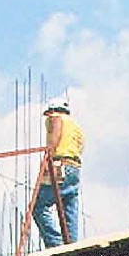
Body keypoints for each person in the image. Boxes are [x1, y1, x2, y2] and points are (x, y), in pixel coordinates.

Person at [33, 97, 85, 247]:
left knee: (38, 206)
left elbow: (53, 139)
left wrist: (47, 161)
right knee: (69, 207)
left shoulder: (55, 118)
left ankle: (56, 244)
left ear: (53, 110)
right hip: (74, 168)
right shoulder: (76, 127)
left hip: (59, 165)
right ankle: (71, 245)